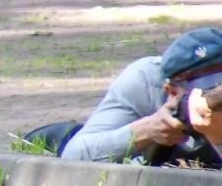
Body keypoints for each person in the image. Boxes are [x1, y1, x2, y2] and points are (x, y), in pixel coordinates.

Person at [55, 27, 222, 166]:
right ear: (171, 91)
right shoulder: (145, 80)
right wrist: (146, 131)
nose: (214, 88)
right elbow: (72, 157)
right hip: (97, 133)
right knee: (60, 137)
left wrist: (217, 136)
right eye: (201, 84)